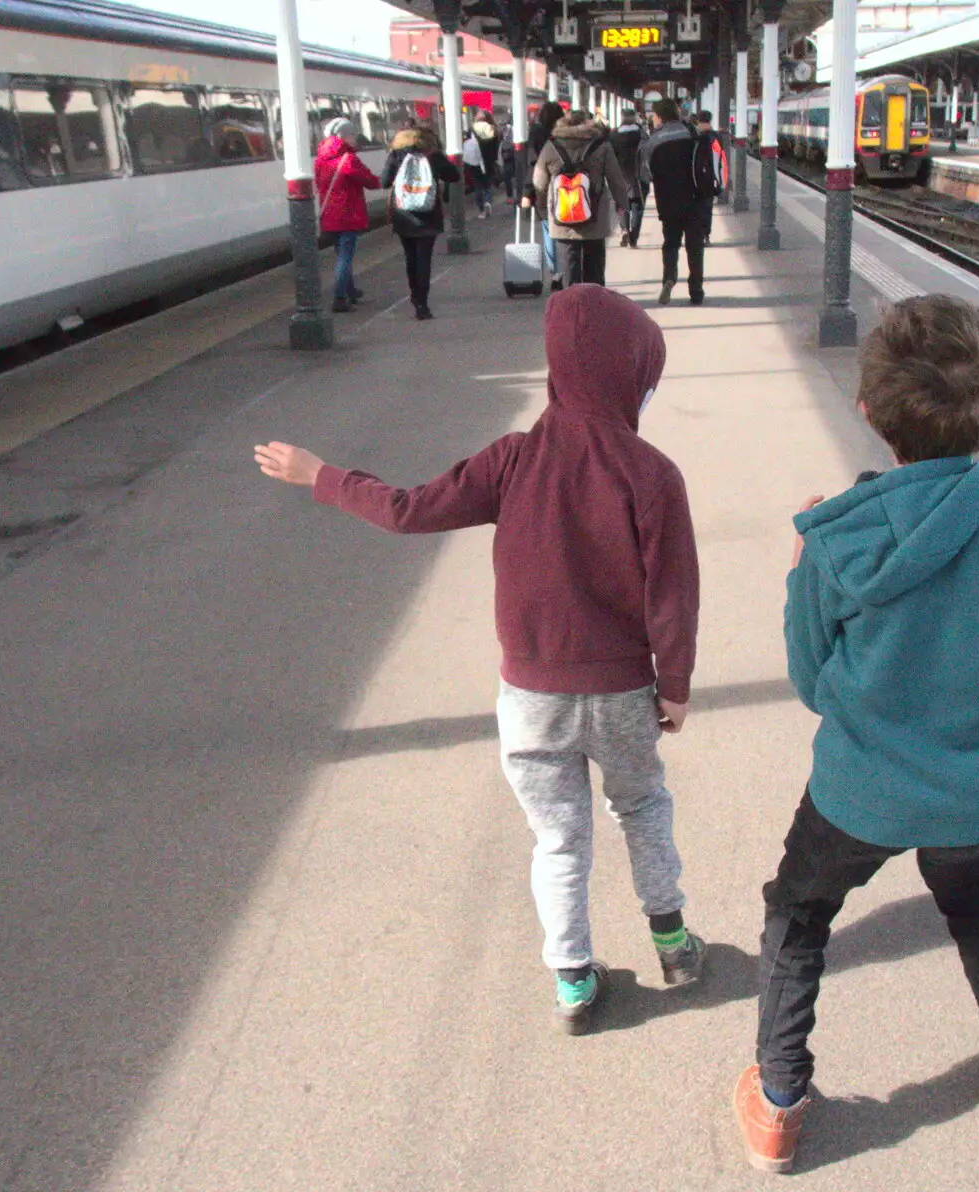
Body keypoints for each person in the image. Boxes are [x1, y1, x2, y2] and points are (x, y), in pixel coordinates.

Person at [732, 294, 979, 1173]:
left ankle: (777, 1103)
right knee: (974, 903)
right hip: (972, 802)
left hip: (854, 795)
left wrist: (804, 578)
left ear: (868, 412)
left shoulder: (836, 537)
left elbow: (811, 681)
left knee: (799, 913)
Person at [254, 283, 707, 1034]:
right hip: (625, 689)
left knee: (559, 835)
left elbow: (408, 510)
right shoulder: (653, 473)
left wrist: (322, 477)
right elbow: (674, 593)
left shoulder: (512, 460)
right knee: (642, 807)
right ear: (626, 377)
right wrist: (678, 684)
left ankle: (572, 981)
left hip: (531, 696)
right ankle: (674, 945)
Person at [528, 111, 629, 288]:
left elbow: (539, 180)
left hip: (563, 214)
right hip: (595, 214)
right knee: (595, 269)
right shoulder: (601, 145)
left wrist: (542, 208)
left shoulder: (551, 146)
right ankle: (593, 307)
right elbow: (616, 178)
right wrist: (622, 204)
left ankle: (572, 308)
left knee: (569, 268)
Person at [379, 120, 460, 321]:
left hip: (403, 214)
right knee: (424, 259)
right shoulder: (433, 154)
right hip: (428, 214)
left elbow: (384, 181)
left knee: (410, 258)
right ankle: (422, 304)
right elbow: (454, 176)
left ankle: (414, 294)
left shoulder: (396, 155)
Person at [640, 98, 715, 306]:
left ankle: (669, 279)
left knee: (671, 243)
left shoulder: (653, 141)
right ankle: (696, 290)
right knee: (695, 246)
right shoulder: (693, 134)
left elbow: (644, 175)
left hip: (668, 201)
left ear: (660, 117)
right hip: (695, 199)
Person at [314, 118, 382, 314]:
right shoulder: (348, 160)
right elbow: (369, 180)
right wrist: (385, 181)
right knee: (345, 256)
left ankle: (350, 291)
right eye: (353, 135)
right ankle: (339, 298)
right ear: (344, 136)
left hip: (329, 215)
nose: (356, 139)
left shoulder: (320, 160)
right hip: (348, 215)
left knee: (342, 254)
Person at [528, 101, 565, 284]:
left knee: (548, 230)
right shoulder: (564, 134)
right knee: (568, 230)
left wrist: (528, 192)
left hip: (543, 186)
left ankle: (555, 273)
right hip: (565, 187)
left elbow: (531, 163)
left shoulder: (535, 134)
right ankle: (571, 269)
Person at [610, 107, 647, 249]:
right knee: (637, 206)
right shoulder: (641, 135)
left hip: (619, 176)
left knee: (621, 205)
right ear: (635, 118)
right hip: (638, 176)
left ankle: (624, 228)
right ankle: (633, 239)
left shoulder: (613, 136)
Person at [694, 111, 727, 247]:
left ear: (698, 121)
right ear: (710, 120)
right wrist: (720, 181)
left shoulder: (694, 136)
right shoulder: (716, 137)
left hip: (694, 177)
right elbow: (719, 160)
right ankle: (706, 235)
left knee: (695, 208)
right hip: (710, 178)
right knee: (707, 208)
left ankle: (697, 234)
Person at [499, 118, 518, 203]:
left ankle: (512, 196)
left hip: (512, 154)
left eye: (503, 126)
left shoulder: (512, 130)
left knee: (511, 177)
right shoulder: (501, 132)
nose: (502, 128)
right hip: (508, 156)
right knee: (508, 177)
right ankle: (510, 196)